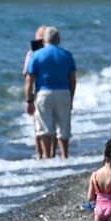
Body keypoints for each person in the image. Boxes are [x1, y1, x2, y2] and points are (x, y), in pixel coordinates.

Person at [23, 25, 77, 160]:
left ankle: (48, 159)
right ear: (58, 40)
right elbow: (73, 79)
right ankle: (65, 157)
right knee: (64, 128)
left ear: (44, 40)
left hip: (43, 93)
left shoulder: (35, 55)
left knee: (45, 129)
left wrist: (29, 99)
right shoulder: (67, 55)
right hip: (64, 92)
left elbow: (29, 80)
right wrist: (71, 97)